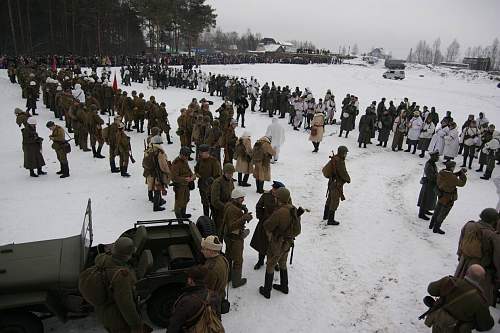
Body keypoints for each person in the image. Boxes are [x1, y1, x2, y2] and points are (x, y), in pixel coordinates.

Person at [94, 237, 145, 333]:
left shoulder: (102, 260)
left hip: (104, 312)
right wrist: (136, 325)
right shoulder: (121, 276)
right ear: (127, 256)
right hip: (117, 319)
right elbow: (126, 304)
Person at [425, 264, 494, 333]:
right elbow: (486, 325)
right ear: (482, 280)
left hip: (439, 322)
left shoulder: (449, 281)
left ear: (466, 272)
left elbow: (431, 289)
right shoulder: (480, 300)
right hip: (457, 329)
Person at [259, 187, 299, 299]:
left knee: (270, 264)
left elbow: (267, 225)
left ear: (279, 199)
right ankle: (284, 287)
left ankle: (267, 291)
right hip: (288, 242)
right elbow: (297, 230)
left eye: (276, 197)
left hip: (277, 243)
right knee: (282, 263)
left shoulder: (280, 212)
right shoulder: (293, 209)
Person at [454, 209, 500, 306]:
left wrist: (460, 255)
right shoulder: (492, 235)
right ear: (494, 221)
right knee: (476, 296)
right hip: (480, 270)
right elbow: (497, 258)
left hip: (464, 261)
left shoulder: (469, 225)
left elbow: (461, 242)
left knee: (458, 286)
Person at [168, 265, 221, 333]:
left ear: (190, 280)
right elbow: (217, 317)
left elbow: (174, 326)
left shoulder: (186, 301)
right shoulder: (214, 295)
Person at [251, 181, 285, 270]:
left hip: (277, 226)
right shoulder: (266, 195)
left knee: (275, 245)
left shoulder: (283, 197)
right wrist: (261, 218)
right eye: (273, 188)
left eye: (275, 189)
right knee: (262, 243)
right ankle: (260, 261)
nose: (273, 190)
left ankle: (274, 262)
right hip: (265, 224)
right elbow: (258, 206)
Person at [223, 189, 253, 288]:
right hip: (235, 238)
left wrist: (242, 209)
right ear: (235, 198)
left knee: (229, 256)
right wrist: (244, 218)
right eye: (241, 198)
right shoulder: (233, 210)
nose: (243, 199)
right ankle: (236, 281)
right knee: (238, 260)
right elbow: (232, 226)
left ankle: (228, 277)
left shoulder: (229, 205)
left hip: (228, 236)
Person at [429, 161, 467, 234]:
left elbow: (449, 177)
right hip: (448, 197)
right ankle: (436, 228)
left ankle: (431, 225)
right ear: (452, 167)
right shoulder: (451, 177)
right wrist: (462, 174)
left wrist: (458, 173)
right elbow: (461, 183)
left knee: (437, 210)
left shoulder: (442, 172)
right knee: (443, 213)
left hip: (441, 194)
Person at [322, 146, 351, 225]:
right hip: (337, 183)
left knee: (330, 199)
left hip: (331, 182)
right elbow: (343, 172)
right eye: (345, 153)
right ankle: (330, 220)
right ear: (342, 153)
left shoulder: (334, 158)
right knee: (334, 201)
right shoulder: (340, 161)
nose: (346, 155)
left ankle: (325, 216)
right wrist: (348, 179)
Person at [201, 236, 229, 315]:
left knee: (213, 319)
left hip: (213, 300)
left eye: (204, 249)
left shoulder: (211, 269)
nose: (201, 251)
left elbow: (208, 290)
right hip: (220, 294)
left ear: (211, 251)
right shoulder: (223, 259)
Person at [142, 135, 171, 212]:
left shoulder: (148, 150)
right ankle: (156, 206)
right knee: (157, 189)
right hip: (157, 173)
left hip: (149, 172)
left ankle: (154, 200)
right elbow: (163, 165)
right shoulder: (159, 152)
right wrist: (168, 172)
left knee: (151, 187)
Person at [194, 144, 221, 217]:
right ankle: (206, 218)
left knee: (212, 204)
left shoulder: (214, 161)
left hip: (211, 188)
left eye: (201, 152)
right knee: (204, 203)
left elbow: (218, 176)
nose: (200, 154)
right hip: (202, 186)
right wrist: (197, 173)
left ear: (206, 152)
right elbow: (196, 168)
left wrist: (212, 183)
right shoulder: (200, 160)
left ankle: (215, 219)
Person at [211, 163, 235, 238]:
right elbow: (215, 201)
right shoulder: (217, 182)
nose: (230, 175)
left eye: (232, 173)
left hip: (228, 210)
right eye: (228, 173)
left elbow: (232, 194)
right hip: (219, 211)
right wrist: (226, 207)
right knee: (219, 232)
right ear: (224, 172)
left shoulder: (230, 181)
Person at [171, 147, 196, 218]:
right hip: (179, 186)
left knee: (186, 200)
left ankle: (183, 214)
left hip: (186, 185)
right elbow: (174, 178)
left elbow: (188, 170)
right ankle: (179, 219)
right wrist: (185, 179)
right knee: (179, 203)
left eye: (188, 156)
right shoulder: (176, 163)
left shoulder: (185, 161)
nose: (187, 157)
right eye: (186, 156)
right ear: (181, 154)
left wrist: (192, 176)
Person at [417, 151, 439, 220]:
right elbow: (431, 176)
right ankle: (421, 213)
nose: (438, 158)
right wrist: (438, 176)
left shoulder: (432, 163)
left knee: (429, 199)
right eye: (437, 156)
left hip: (431, 185)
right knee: (425, 199)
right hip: (428, 185)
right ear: (433, 157)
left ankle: (425, 210)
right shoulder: (429, 165)